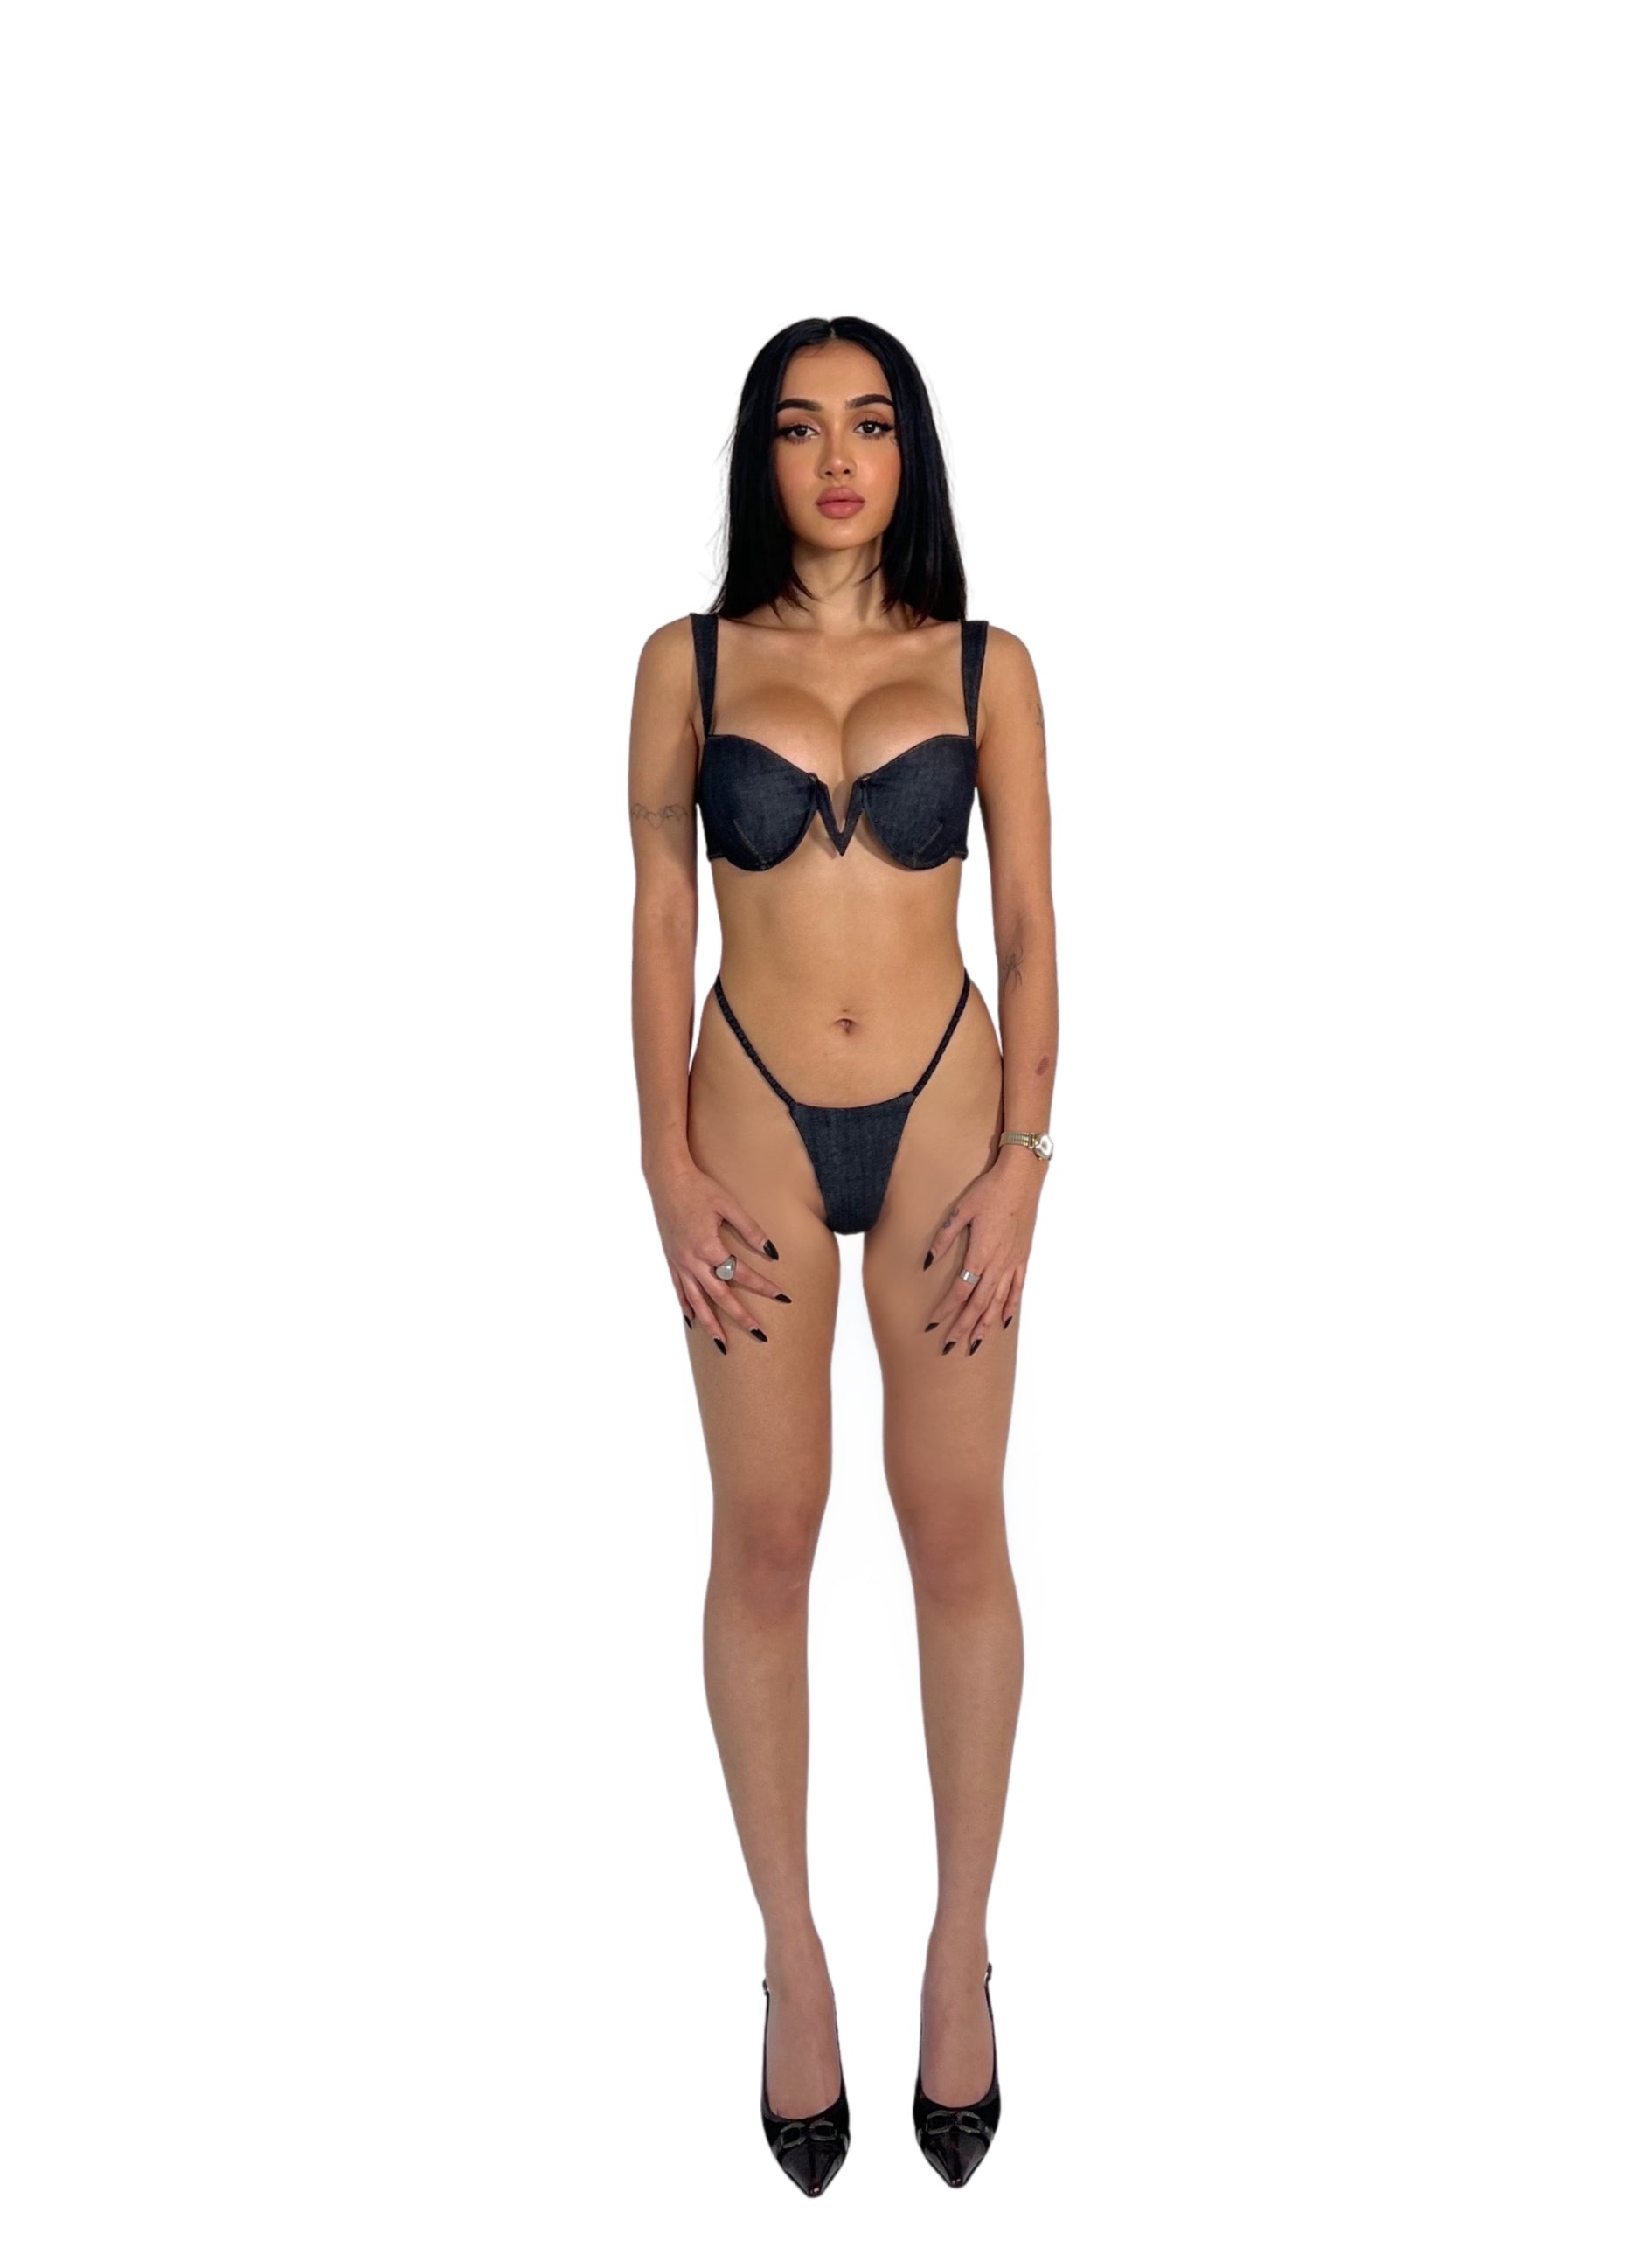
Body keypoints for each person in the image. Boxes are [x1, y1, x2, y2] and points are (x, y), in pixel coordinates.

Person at [626, 315, 1058, 2195]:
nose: (834, 459)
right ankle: (793, 1957)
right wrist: (661, 1163)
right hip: (750, 1122)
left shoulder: (984, 665)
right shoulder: (686, 661)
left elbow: (1031, 924)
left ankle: (959, 1946)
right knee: (766, 1538)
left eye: (868, 424)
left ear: (909, 453)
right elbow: (661, 910)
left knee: (955, 1529)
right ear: (760, 455)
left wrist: (1026, 1160)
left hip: (952, 1114)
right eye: (799, 427)